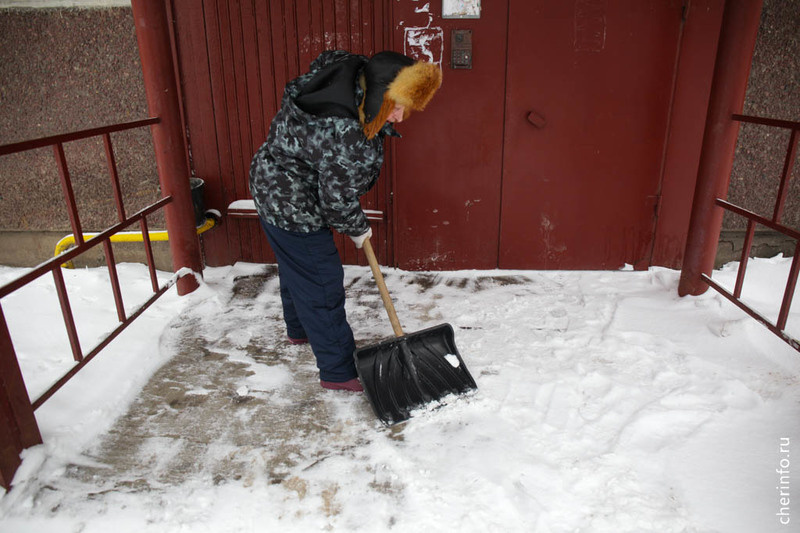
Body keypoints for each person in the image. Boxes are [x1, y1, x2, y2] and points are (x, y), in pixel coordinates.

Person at [249, 50, 442, 392]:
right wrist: (358, 227)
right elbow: (336, 201)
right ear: (380, 93)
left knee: (298, 266)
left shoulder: (345, 75)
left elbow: (327, 57)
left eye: (407, 108)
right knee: (321, 279)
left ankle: (300, 329)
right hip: (292, 202)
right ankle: (338, 372)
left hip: (269, 179)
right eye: (396, 106)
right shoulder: (349, 136)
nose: (400, 117)